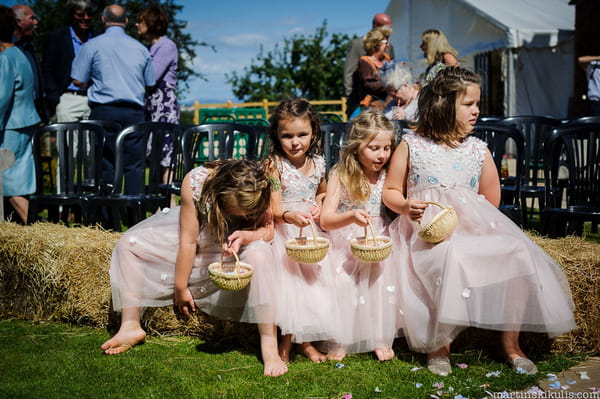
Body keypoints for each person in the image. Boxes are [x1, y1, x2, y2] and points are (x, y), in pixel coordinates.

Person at [382, 66, 576, 376]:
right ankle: (440, 345)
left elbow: (490, 199)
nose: (477, 111)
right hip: (427, 234)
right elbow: (390, 190)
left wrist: (475, 223)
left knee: (517, 251)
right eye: (469, 104)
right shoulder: (412, 145)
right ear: (445, 105)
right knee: (450, 256)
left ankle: (511, 344)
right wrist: (406, 206)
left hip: (471, 228)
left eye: (477, 103)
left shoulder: (477, 150)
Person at [101, 159, 288, 377]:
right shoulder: (196, 181)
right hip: (201, 237)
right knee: (129, 244)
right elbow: (188, 242)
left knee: (260, 254)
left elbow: (269, 231)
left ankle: (269, 345)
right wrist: (181, 287)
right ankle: (130, 325)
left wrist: (246, 235)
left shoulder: (259, 185)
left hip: (237, 244)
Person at [320, 110, 399, 361]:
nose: (382, 155)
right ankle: (341, 338)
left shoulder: (388, 175)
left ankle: (380, 337)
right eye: (374, 148)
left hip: (379, 237)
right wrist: (351, 216)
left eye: (387, 148)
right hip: (347, 239)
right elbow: (326, 219)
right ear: (356, 147)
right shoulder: (340, 174)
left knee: (385, 275)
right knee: (343, 278)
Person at [263, 98, 335, 364]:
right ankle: (288, 341)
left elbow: (324, 192)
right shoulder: (274, 165)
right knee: (291, 282)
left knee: (319, 277)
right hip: (286, 231)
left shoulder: (318, 162)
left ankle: (303, 341)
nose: (296, 142)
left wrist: (320, 203)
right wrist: (290, 216)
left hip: (312, 232)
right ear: (277, 136)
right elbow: (275, 210)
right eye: (287, 136)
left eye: (302, 135)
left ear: (313, 133)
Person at [71, 4, 155, 194]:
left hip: (104, 111)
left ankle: (106, 216)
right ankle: (134, 214)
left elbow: (77, 79)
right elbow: (151, 82)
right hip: (134, 112)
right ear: (126, 21)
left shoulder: (92, 45)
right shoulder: (140, 48)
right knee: (133, 166)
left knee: (104, 164)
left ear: (103, 20)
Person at [0, 5, 40, 224]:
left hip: (10, 127)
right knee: (19, 184)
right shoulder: (19, 53)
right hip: (23, 123)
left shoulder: (4, 57)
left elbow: (1, 99)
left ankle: (39, 234)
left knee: (11, 184)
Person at [136, 5, 179, 186]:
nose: (137, 25)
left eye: (141, 21)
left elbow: (151, 77)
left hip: (164, 107)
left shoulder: (166, 46)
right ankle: (157, 205)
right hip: (152, 107)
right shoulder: (151, 47)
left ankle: (168, 202)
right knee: (153, 155)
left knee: (165, 157)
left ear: (151, 23)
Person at [42, 0, 94, 122]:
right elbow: (47, 70)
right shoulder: (56, 38)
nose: (85, 18)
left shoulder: (98, 37)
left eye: (89, 14)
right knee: (68, 140)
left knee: (94, 140)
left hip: (94, 98)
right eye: (80, 15)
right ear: (72, 15)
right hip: (67, 99)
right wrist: (56, 99)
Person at [344, 13, 395, 100]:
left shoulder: (390, 47)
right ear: (375, 26)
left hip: (385, 99)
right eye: (384, 28)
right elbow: (349, 73)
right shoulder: (357, 44)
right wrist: (351, 98)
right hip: (360, 98)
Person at [12, 4, 47, 124]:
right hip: (14, 120)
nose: (36, 22)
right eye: (32, 18)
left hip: (35, 115)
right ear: (18, 22)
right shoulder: (6, 49)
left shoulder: (29, 46)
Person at [348, 26, 393, 119]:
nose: (388, 45)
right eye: (385, 42)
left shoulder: (387, 59)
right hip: (370, 109)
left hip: (387, 106)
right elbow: (370, 86)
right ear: (376, 43)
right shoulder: (364, 62)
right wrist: (390, 81)